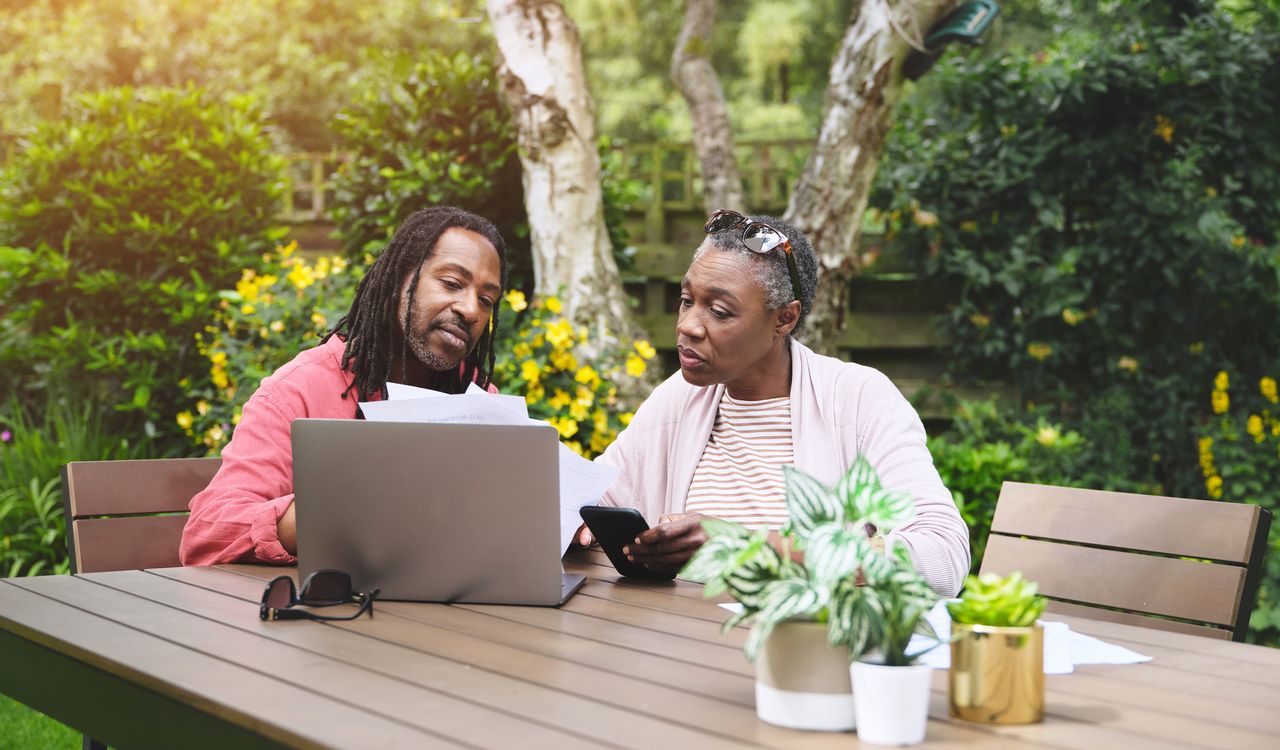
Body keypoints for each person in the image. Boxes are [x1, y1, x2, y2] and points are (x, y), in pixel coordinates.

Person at [584, 210, 969, 596]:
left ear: (784, 319)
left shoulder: (858, 400)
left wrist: (743, 545)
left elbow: (943, 556)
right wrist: (574, 526)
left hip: (805, 645)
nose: (687, 325)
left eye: (719, 311)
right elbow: (595, 499)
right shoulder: (678, 398)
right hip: (676, 642)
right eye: (686, 300)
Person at [180, 206, 507, 566]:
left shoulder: (476, 398)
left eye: (486, 300)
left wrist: (561, 523)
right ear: (399, 279)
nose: (471, 310)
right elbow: (207, 535)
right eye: (451, 284)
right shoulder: (297, 391)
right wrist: (334, 513)